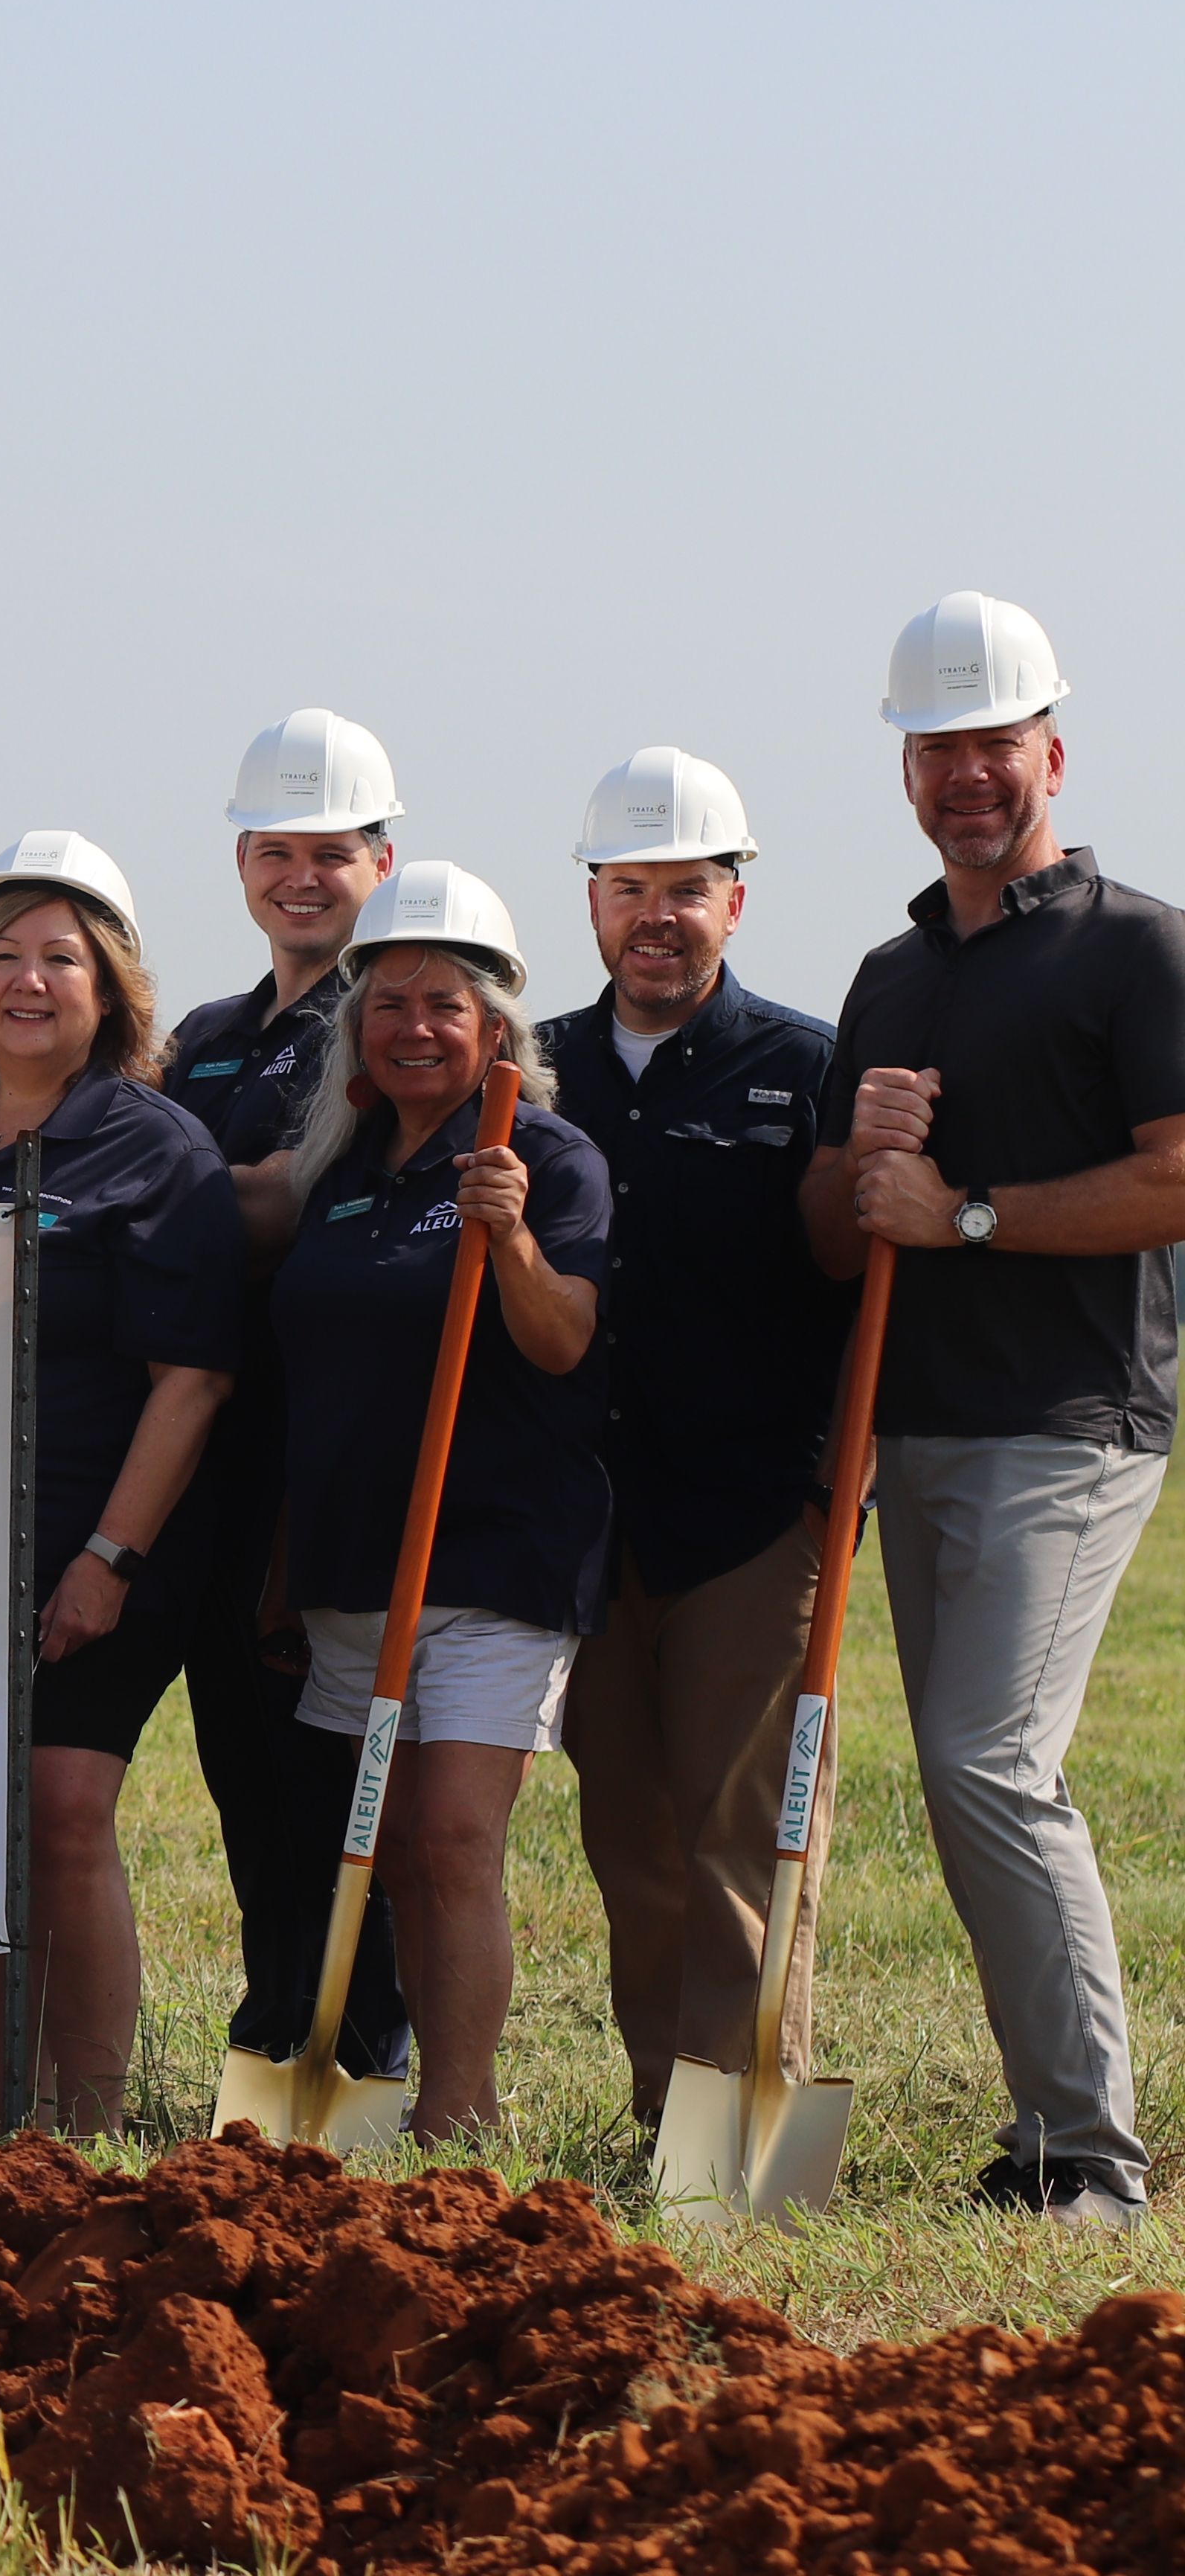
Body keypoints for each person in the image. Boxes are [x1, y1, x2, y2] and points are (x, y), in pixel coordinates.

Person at [802, 593, 1185, 2226]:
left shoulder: (1138, 946)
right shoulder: (887, 976)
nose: (968, 773)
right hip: (919, 1424)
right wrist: (855, 1158)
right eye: (937, 745)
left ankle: (1094, 2152)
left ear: (1053, 750)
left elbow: (1175, 1178)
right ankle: (1042, 2130)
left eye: (994, 743)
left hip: (1072, 1415)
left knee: (988, 1757)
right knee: (968, 1777)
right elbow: (835, 1230)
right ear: (906, 767)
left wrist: (961, 1211)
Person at [0, 838, 243, 2129]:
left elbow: (190, 1380)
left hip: (105, 1545)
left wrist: (106, 1560)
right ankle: (7, 2107)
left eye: (60, 958)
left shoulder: (158, 1149)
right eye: (4, 954)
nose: (28, 981)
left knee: (63, 1811)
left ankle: (89, 2118)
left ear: (111, 986)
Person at [266, 862, 608, 2145]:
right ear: (356, 1031)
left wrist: (513, 1240)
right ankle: (382, 2090)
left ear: (496, 1029)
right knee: (394, 1847)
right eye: (390, 1003)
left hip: (494, 1563)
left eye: (444, 1006)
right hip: (359, 1565)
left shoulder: (547, 1158)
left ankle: (462, 2117)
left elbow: (568, 1338)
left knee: (453, 1838)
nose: (414, 1026)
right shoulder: (342, 1165)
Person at [540, 749, 852, 2130]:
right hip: (592, 1520)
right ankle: (664, 2101)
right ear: (592, 904)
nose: (654, 917)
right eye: (628, 890)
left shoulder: (807, 1067)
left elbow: (855, 1287)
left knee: (744, 1838)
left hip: (753, 1515)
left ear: (737, 899)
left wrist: (838, 1492)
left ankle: (737, 2123)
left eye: (685, 889)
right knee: (631, 1841)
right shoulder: (534, 1070)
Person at [168, 707, 414, 2098]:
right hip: (210, 1452)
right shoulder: (207, 1035)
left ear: (384, 859)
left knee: (332, 1777)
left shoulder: (391, 1021)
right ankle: (276, 2032)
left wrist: (143, 1198)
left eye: (332, 852)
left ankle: (360, 2050)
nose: (301, 878)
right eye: (275, 851)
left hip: (326, 1465)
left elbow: (276, 1205)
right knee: (244, 1778)